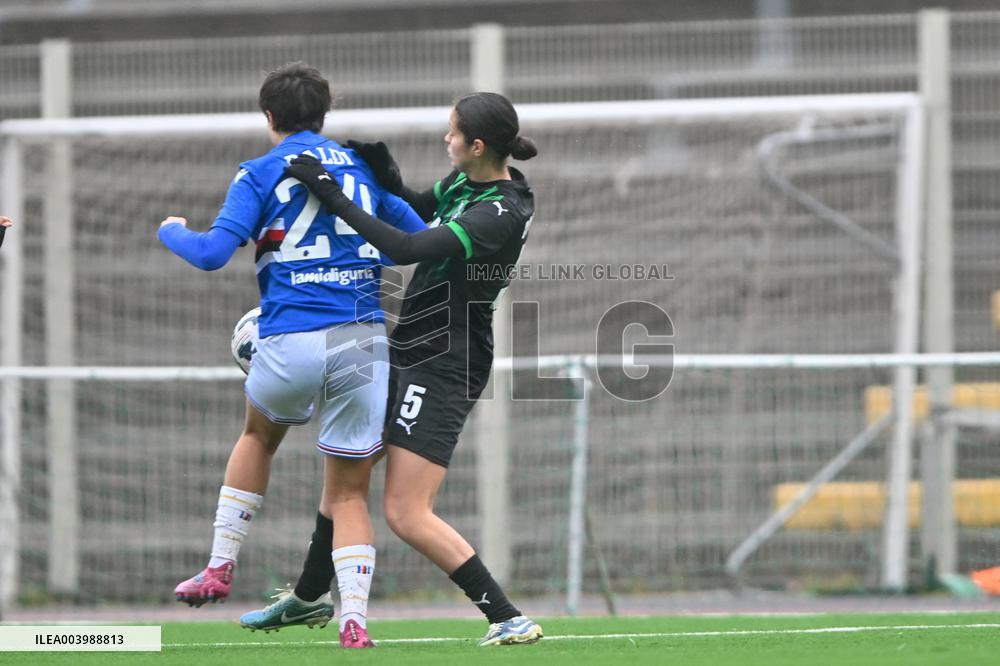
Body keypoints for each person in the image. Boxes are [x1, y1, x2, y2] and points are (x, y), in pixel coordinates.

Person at [158, 62, 425, 649]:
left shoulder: (258, 172)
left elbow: (209, 254)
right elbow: (418, 233)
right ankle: (353, 619)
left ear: (269, 116)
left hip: (289, 335)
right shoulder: (360, 167)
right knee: (349, 491)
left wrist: (170, 230)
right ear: (325, 113)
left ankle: (220, 566)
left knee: (258, 436)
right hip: (360, 337)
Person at [265, 91, 543, 647]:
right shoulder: (469, 184)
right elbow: (419, 208)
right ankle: (307, 597)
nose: (447, 138)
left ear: (478, 144)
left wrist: (331, 194)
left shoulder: (500, 212)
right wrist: (389, 178)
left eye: (452, 131)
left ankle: (507, 616)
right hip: (412, 345)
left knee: (406, 511)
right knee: (347, 468)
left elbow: (407, 244)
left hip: (446, 359)